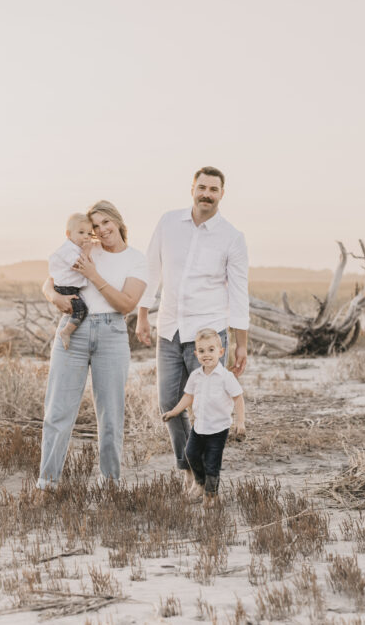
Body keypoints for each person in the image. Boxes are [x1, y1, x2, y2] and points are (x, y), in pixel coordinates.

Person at [135, 166, 249, 489]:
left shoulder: (232, 237)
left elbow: (240, 294)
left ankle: (204, 478)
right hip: (169, 327)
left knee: (210, 408)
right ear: (192, 188)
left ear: (222, 195)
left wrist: (241, 344)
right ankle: (191, 472)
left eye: (214, 189)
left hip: (208, 336)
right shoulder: (169, 222)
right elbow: (151, 269)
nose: (207, 194)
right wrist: (143, 313)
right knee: (170, 406)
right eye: (202, 187)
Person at [37, 200, 148, 490]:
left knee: (110, 416)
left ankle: (109, 484)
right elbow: (49, 282)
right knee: (58, 411)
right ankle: (47, 484)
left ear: (118, 221)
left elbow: (126, 303)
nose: (100, 230)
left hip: (111, 333)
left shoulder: (136, 259)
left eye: (105, 223)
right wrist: (55, 298)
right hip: (73, 331)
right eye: (95, 226)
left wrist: (93, 275)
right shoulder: (85, 246)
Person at [161, 327, 246, 502]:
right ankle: (200, 482)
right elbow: (188, 396)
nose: (206, 354)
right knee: (190, 453)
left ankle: (211, 495)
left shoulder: (225, 377)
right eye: (201, 351)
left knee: (212, 463)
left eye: (211, 350)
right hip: (199, 427)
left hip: (218, 428)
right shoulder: (196, 376)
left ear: (221, 352)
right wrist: (174, 412)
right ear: (196, 354)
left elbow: (238, 398)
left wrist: (240, 422)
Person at [48, 213, 94, 350]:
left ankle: (68, 329)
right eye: (81, 232)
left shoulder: (75, 248)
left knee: (78, 309)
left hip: (70, 286)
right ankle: (66, 331)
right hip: (66, 288)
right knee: (81, 310)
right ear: (68, 234)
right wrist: (86, 252)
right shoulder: (68, 249)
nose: (86, 236)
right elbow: (79, 265)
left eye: (89, 233)